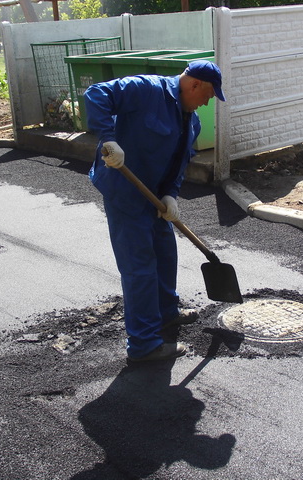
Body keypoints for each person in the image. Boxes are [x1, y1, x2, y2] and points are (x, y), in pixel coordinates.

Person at [84, 60, 225, 362]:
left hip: (155, 198)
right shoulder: (146, 89)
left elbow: (179, 164)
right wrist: (108, 138)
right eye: (209, 94)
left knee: (164, 253)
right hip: (125, 192)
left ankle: (165, 314)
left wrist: (171, 196)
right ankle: (144, 344)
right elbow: (96, 94)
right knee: (140, 267)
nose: (208, 101)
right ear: (195, 84)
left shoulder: (192, 122)